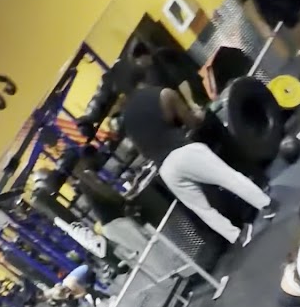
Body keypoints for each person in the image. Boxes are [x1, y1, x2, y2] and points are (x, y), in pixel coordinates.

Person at [118, 71, 275, 245]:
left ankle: (238, 236)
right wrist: (198, 114)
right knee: (228, 178)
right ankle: (267, 205)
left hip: (165, 169)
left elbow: (142, 150)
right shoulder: (163, 94)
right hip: (183, 151)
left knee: (202, 209)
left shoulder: (126, 119)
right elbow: (192, 122)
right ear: (143, 79)